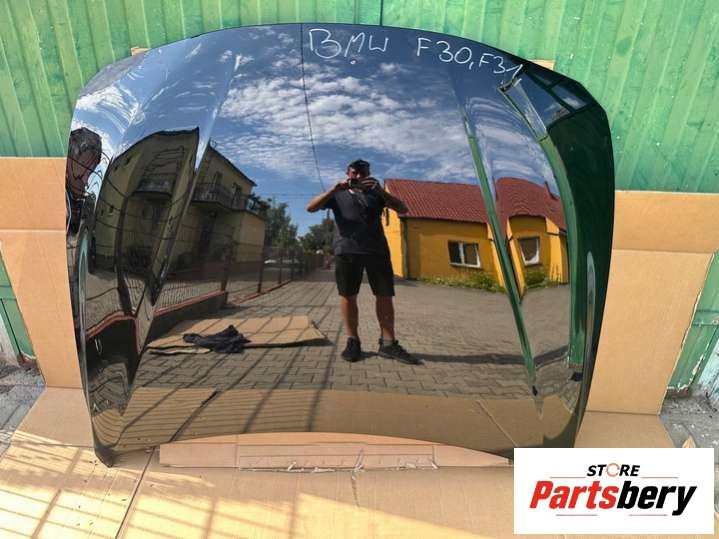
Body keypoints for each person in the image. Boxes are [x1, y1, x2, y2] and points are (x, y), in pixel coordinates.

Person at [306, 159, 420, 364]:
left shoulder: (376, 194)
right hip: (347, 250)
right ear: (347, 173)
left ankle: (388, 344)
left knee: (384, 295)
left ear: (369, 174)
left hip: (377, 251)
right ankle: (353, 341)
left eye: (363, 173)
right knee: (348, 295)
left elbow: (403, 209)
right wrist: (333, 189)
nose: (358, 176)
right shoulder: (338, 194)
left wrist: (381, 191)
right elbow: (311, 208)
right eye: (355, 173)